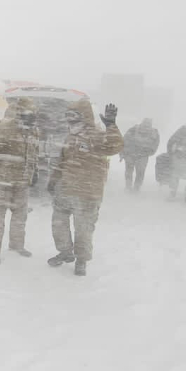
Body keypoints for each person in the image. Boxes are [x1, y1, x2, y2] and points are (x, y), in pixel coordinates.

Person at [47, 99, 124, 276]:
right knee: (58, 224)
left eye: (74, 116)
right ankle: (65, 251)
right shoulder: (70, 137)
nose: (70, 120)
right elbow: (62, 162)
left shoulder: (96, 136)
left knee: (83, 229)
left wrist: (112, 126)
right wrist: (53, 180)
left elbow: (115, 146)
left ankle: (81, 260)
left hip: (88, 193)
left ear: (84, 117)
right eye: (68, 116)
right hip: (66, 190)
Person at [0, 97, 40, 264]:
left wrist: (34, 172)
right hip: (3, 180)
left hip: (22, 183)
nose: (31, 117)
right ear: (20, 114)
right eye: (27, 114)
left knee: (20, 217)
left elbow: (33, 153)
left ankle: (16, 245)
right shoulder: (4, 128)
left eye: (33, 114)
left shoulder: (34, 131)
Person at [121, 117, 160, 192]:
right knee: (131, 170)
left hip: (142, 155)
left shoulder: (154, 133)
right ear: (142, 122)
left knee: (139, 171)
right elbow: (125, 139)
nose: (146, 125)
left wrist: (149, 152)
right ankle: (129, 186)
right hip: (132, 153)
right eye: (145, 123)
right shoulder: (134, 129)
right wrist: (124, 151)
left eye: (148, 124)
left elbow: (155, 145)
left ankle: (136, 187)